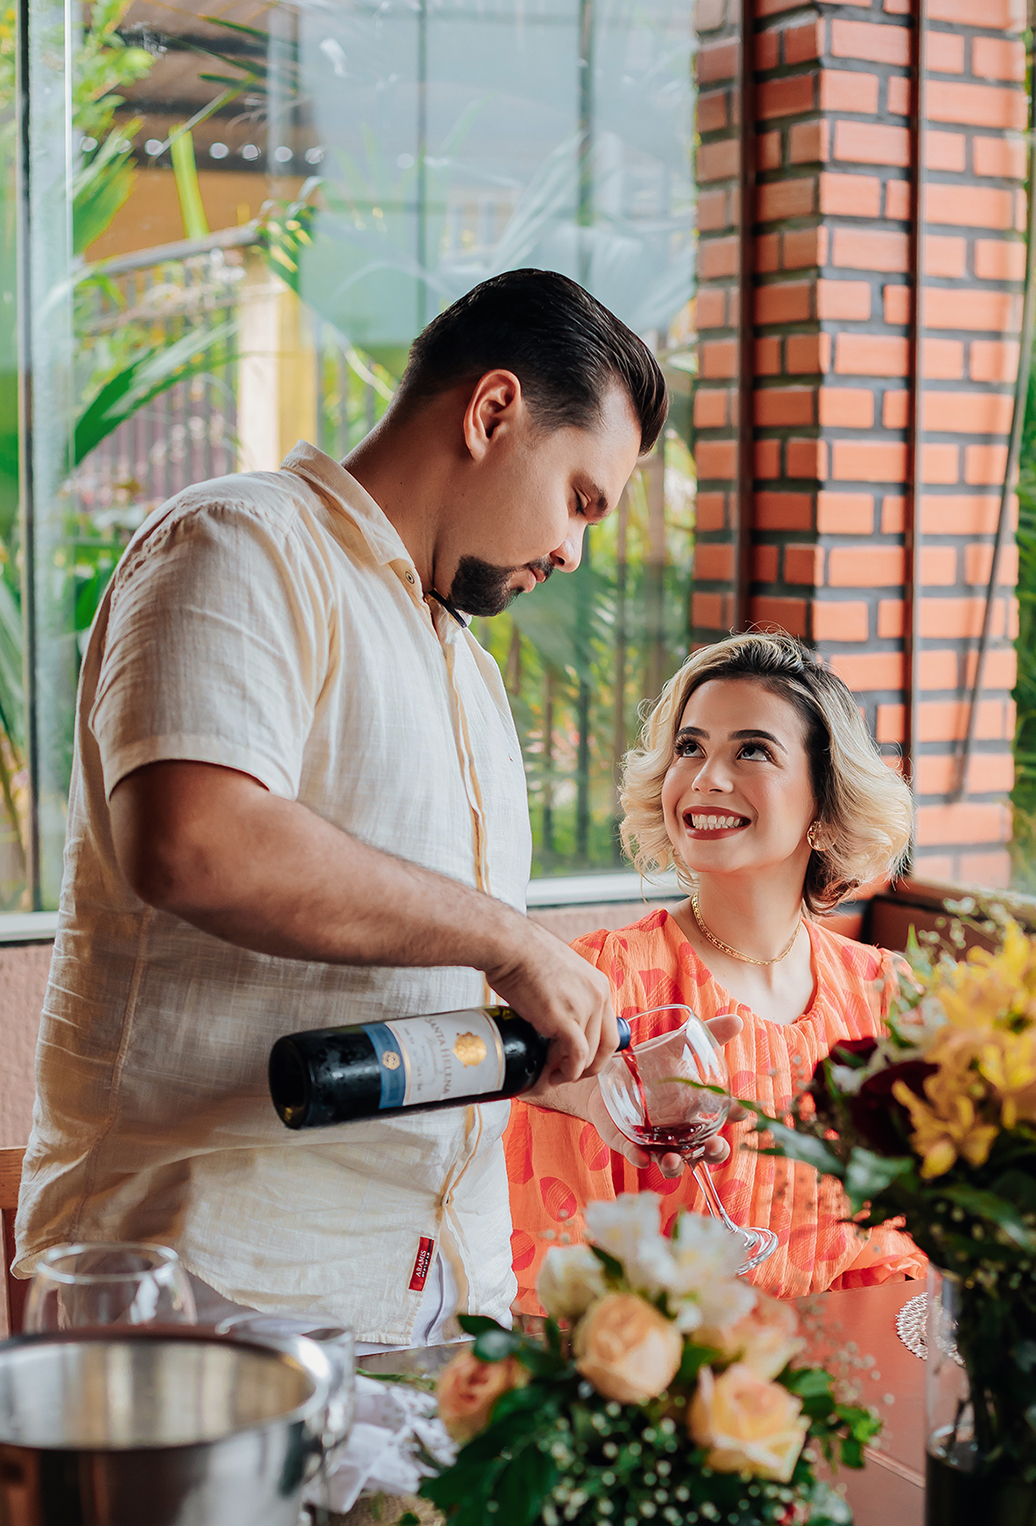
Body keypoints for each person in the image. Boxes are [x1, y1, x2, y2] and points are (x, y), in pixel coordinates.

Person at [15, 268, 675, 1346]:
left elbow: (391, 970)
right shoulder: (241, 542)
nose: (574, 550)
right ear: (493, 410)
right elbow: (196, 842)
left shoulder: (468, 670)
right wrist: (511, 942)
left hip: (435, 1304)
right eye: (581, 498)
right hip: (210, 1302)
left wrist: (567, 1077)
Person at [505, 629, 925, 1311]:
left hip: (851, 1383)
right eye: (689, 748)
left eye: (752, 750)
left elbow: (908, 1253)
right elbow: (552, 1263)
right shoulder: (605, 979)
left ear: (823, 799)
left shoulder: (887, 997)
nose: (705, 778)